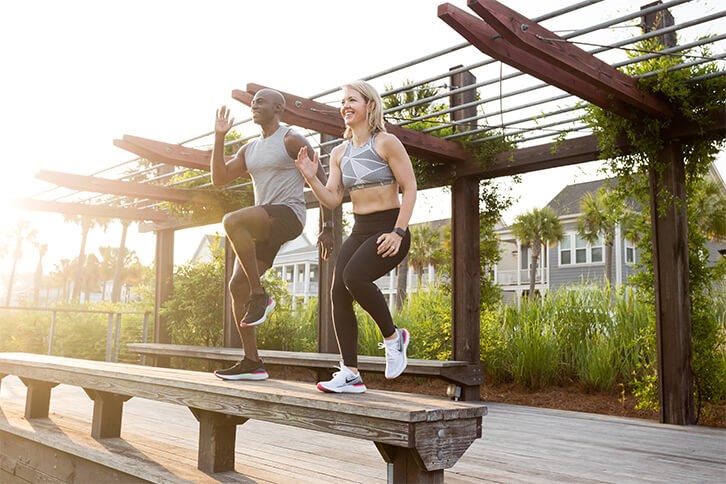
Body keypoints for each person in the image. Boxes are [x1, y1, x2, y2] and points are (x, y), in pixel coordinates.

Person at [295, 80, 417, 393]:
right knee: (338, 291)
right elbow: (333, 198)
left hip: (390, 226)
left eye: (352, 100)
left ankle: (393, 337)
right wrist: (311, 178)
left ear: (370, 106)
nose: (345, 106)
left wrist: (398, 231)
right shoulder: (339, 153)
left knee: (354, 277)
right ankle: (350, 371)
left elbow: (410, 188)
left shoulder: (386, 143)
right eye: (343, 101)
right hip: (361, 228)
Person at [211, 88, 332, 381]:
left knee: (232, 221)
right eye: (253, 103)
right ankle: (252, 361)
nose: (254, 105)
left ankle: (259, 294)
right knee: (235, 285)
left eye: (260, 102)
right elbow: (219, 179)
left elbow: (322, 179)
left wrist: (328, 227)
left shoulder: (291, 138)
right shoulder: (249, 150)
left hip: (289, 215)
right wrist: (219, 137)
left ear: (279, 108)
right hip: (266, 223)